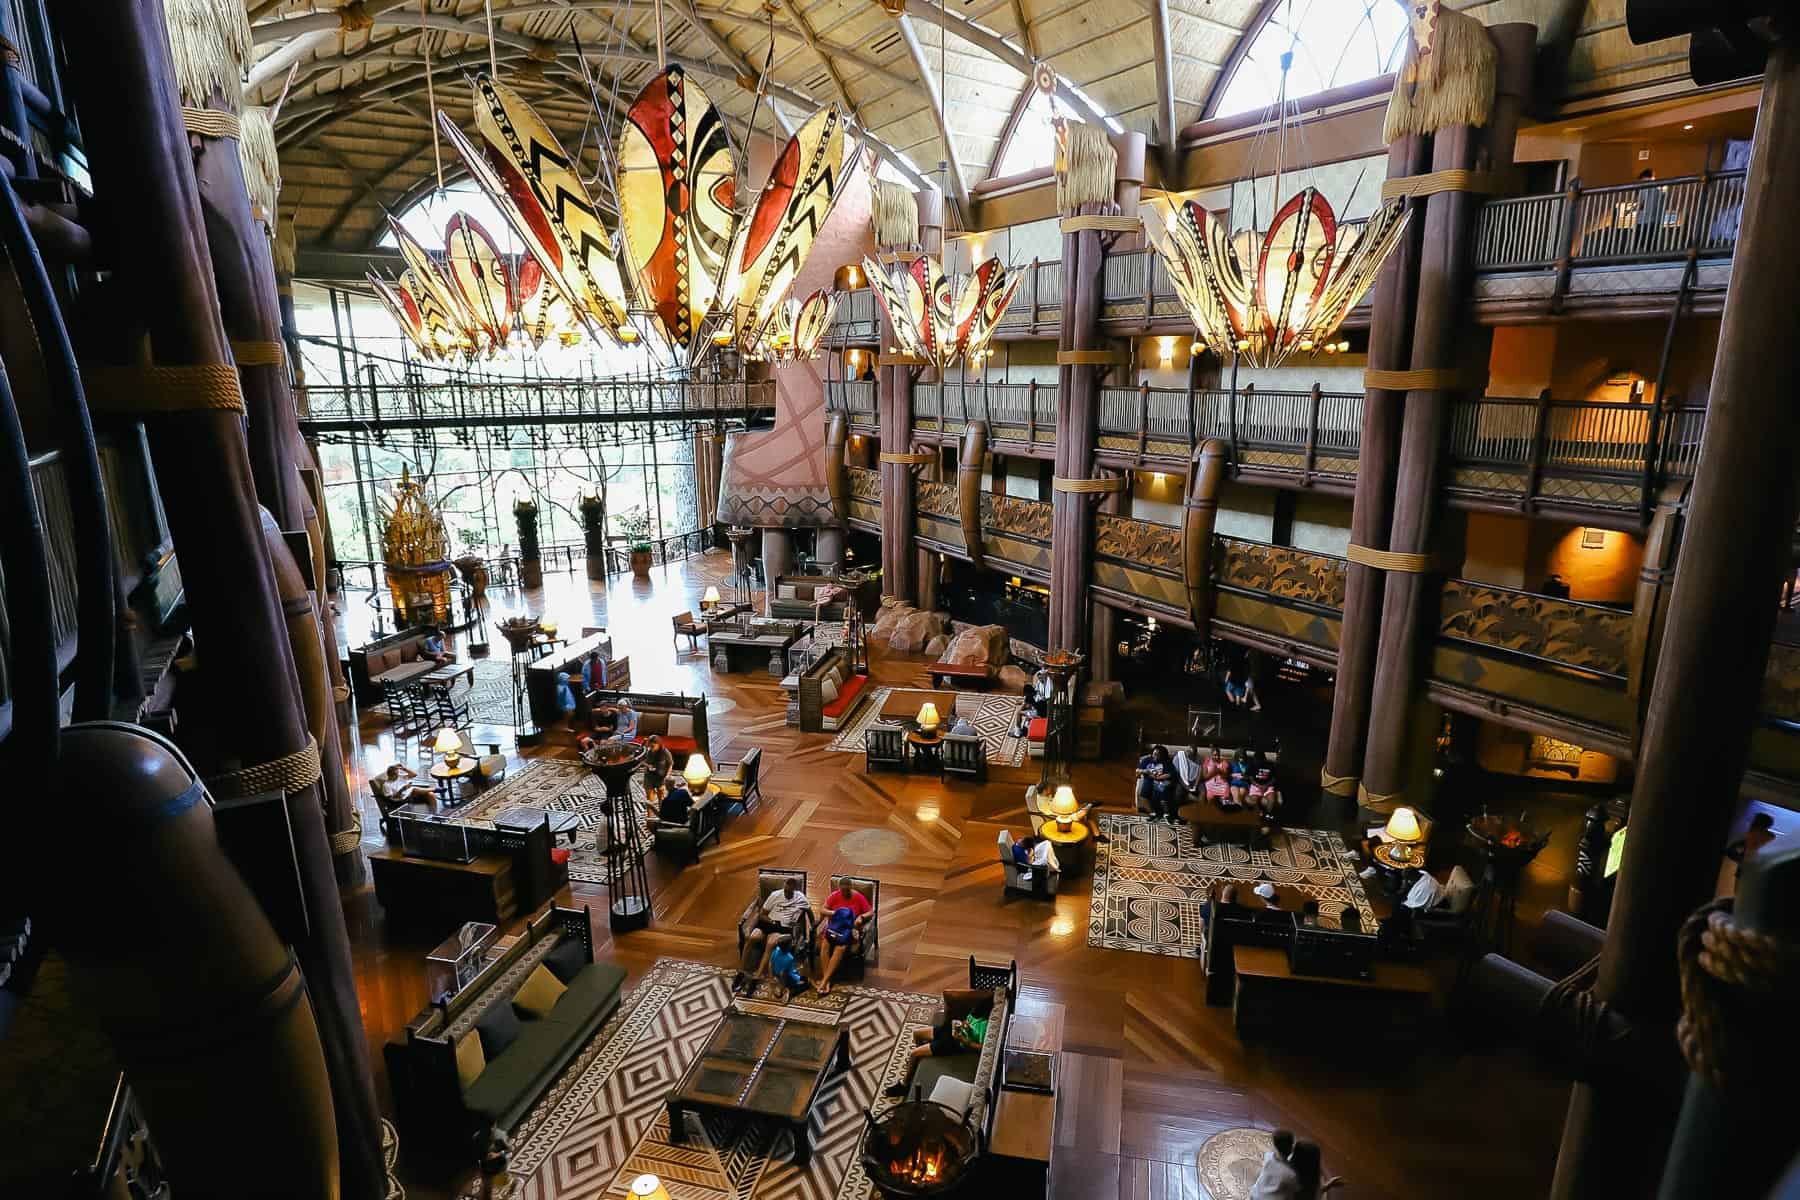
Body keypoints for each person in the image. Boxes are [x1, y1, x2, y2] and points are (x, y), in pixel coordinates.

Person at [883, 1002, 991, 1097]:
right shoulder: (979, 1010)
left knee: (914, 1054)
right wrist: (963, 1024)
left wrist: (964, 1040)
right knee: (917, 1034)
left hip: (956, 1043)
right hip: (951, 1031)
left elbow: (984, 1048)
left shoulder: (987, 1027)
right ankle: (919, 1059)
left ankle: (904, 1085)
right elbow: (968, 1020)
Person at [736, 875, 811, 993]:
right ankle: (742, 971)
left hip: (783, 928)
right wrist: (771, 921)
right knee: (752, 937)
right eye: (785, 890)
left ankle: (757, 975)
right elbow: (762, 914)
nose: (786, 893)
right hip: (768, 923)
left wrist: (811, 930)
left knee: (770, 944)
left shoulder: (801, 898)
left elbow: (809, 912)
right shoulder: (775, 895)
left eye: (789, 892)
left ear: (794, 890)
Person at [815, 876, 873, 994]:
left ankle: (824, 981)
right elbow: (822, 910)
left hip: (847, 930)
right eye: (842, 890)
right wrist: (835, 913)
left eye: (847, 890)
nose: (845, 893)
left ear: (851, 888)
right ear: (839, 888)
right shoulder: (835, 895)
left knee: (839, 948)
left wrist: (861, 917)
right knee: (825, 945)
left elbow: (870, 912)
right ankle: (827, 981)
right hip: (833, 928)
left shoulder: (858, 897)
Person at [1726, 812, 1779, 883]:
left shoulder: (1750, 834)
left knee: (1738, 891)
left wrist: (1740, 860)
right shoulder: (1770, 836)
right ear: (1768, 824)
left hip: (1745, 866)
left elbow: (1731, 850)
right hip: (1758, 868)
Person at [1251, 1131, 1301, 1200]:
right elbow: (1296, 1188)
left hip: (1256, 1194)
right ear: (1291, 1149)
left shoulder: (1268, 1156)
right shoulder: (1290, 1174)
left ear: (1275, 1147)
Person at [1136, 744, 1179, 821]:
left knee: (1163, 796)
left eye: (1157, 755)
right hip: (1149, 780)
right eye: (1154, 753)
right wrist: (1146, 771)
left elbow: (1171, 774)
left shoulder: (1166, 762)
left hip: (1162, 781)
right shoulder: (1147, 760)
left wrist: (1159, 777)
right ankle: (1153, 813)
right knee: (1143, 796)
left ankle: (1166, 814)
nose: (1154, 756)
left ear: (1162, 756)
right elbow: (1138, 770)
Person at [640, 734, 673, 805]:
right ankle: (649, 816)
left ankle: (662, 814)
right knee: (649, 798)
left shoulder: (665, 752)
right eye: (649, 746)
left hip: (661, 777)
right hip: (649, 776)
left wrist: (667, 776)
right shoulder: (648, 750)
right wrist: (648, 765)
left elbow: (670, 764)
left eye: (653, 746)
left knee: (661, 798)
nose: (651, 748)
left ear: (659, 744)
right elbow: (641, 760)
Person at [1248, 754, 1282, 821]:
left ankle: (1268, 815)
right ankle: (1256, 816)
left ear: (1263, 759)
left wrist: (1266, 785)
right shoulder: (1252, 766)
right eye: (1256, 760)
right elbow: (1250, 778)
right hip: (1256, 786)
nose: (1257, 762)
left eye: (1259, 760)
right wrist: (1258, 785)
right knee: (1253, 800)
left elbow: (1274, 778)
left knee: (1271, 799)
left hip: (1268, 786)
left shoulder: (1270, 765)